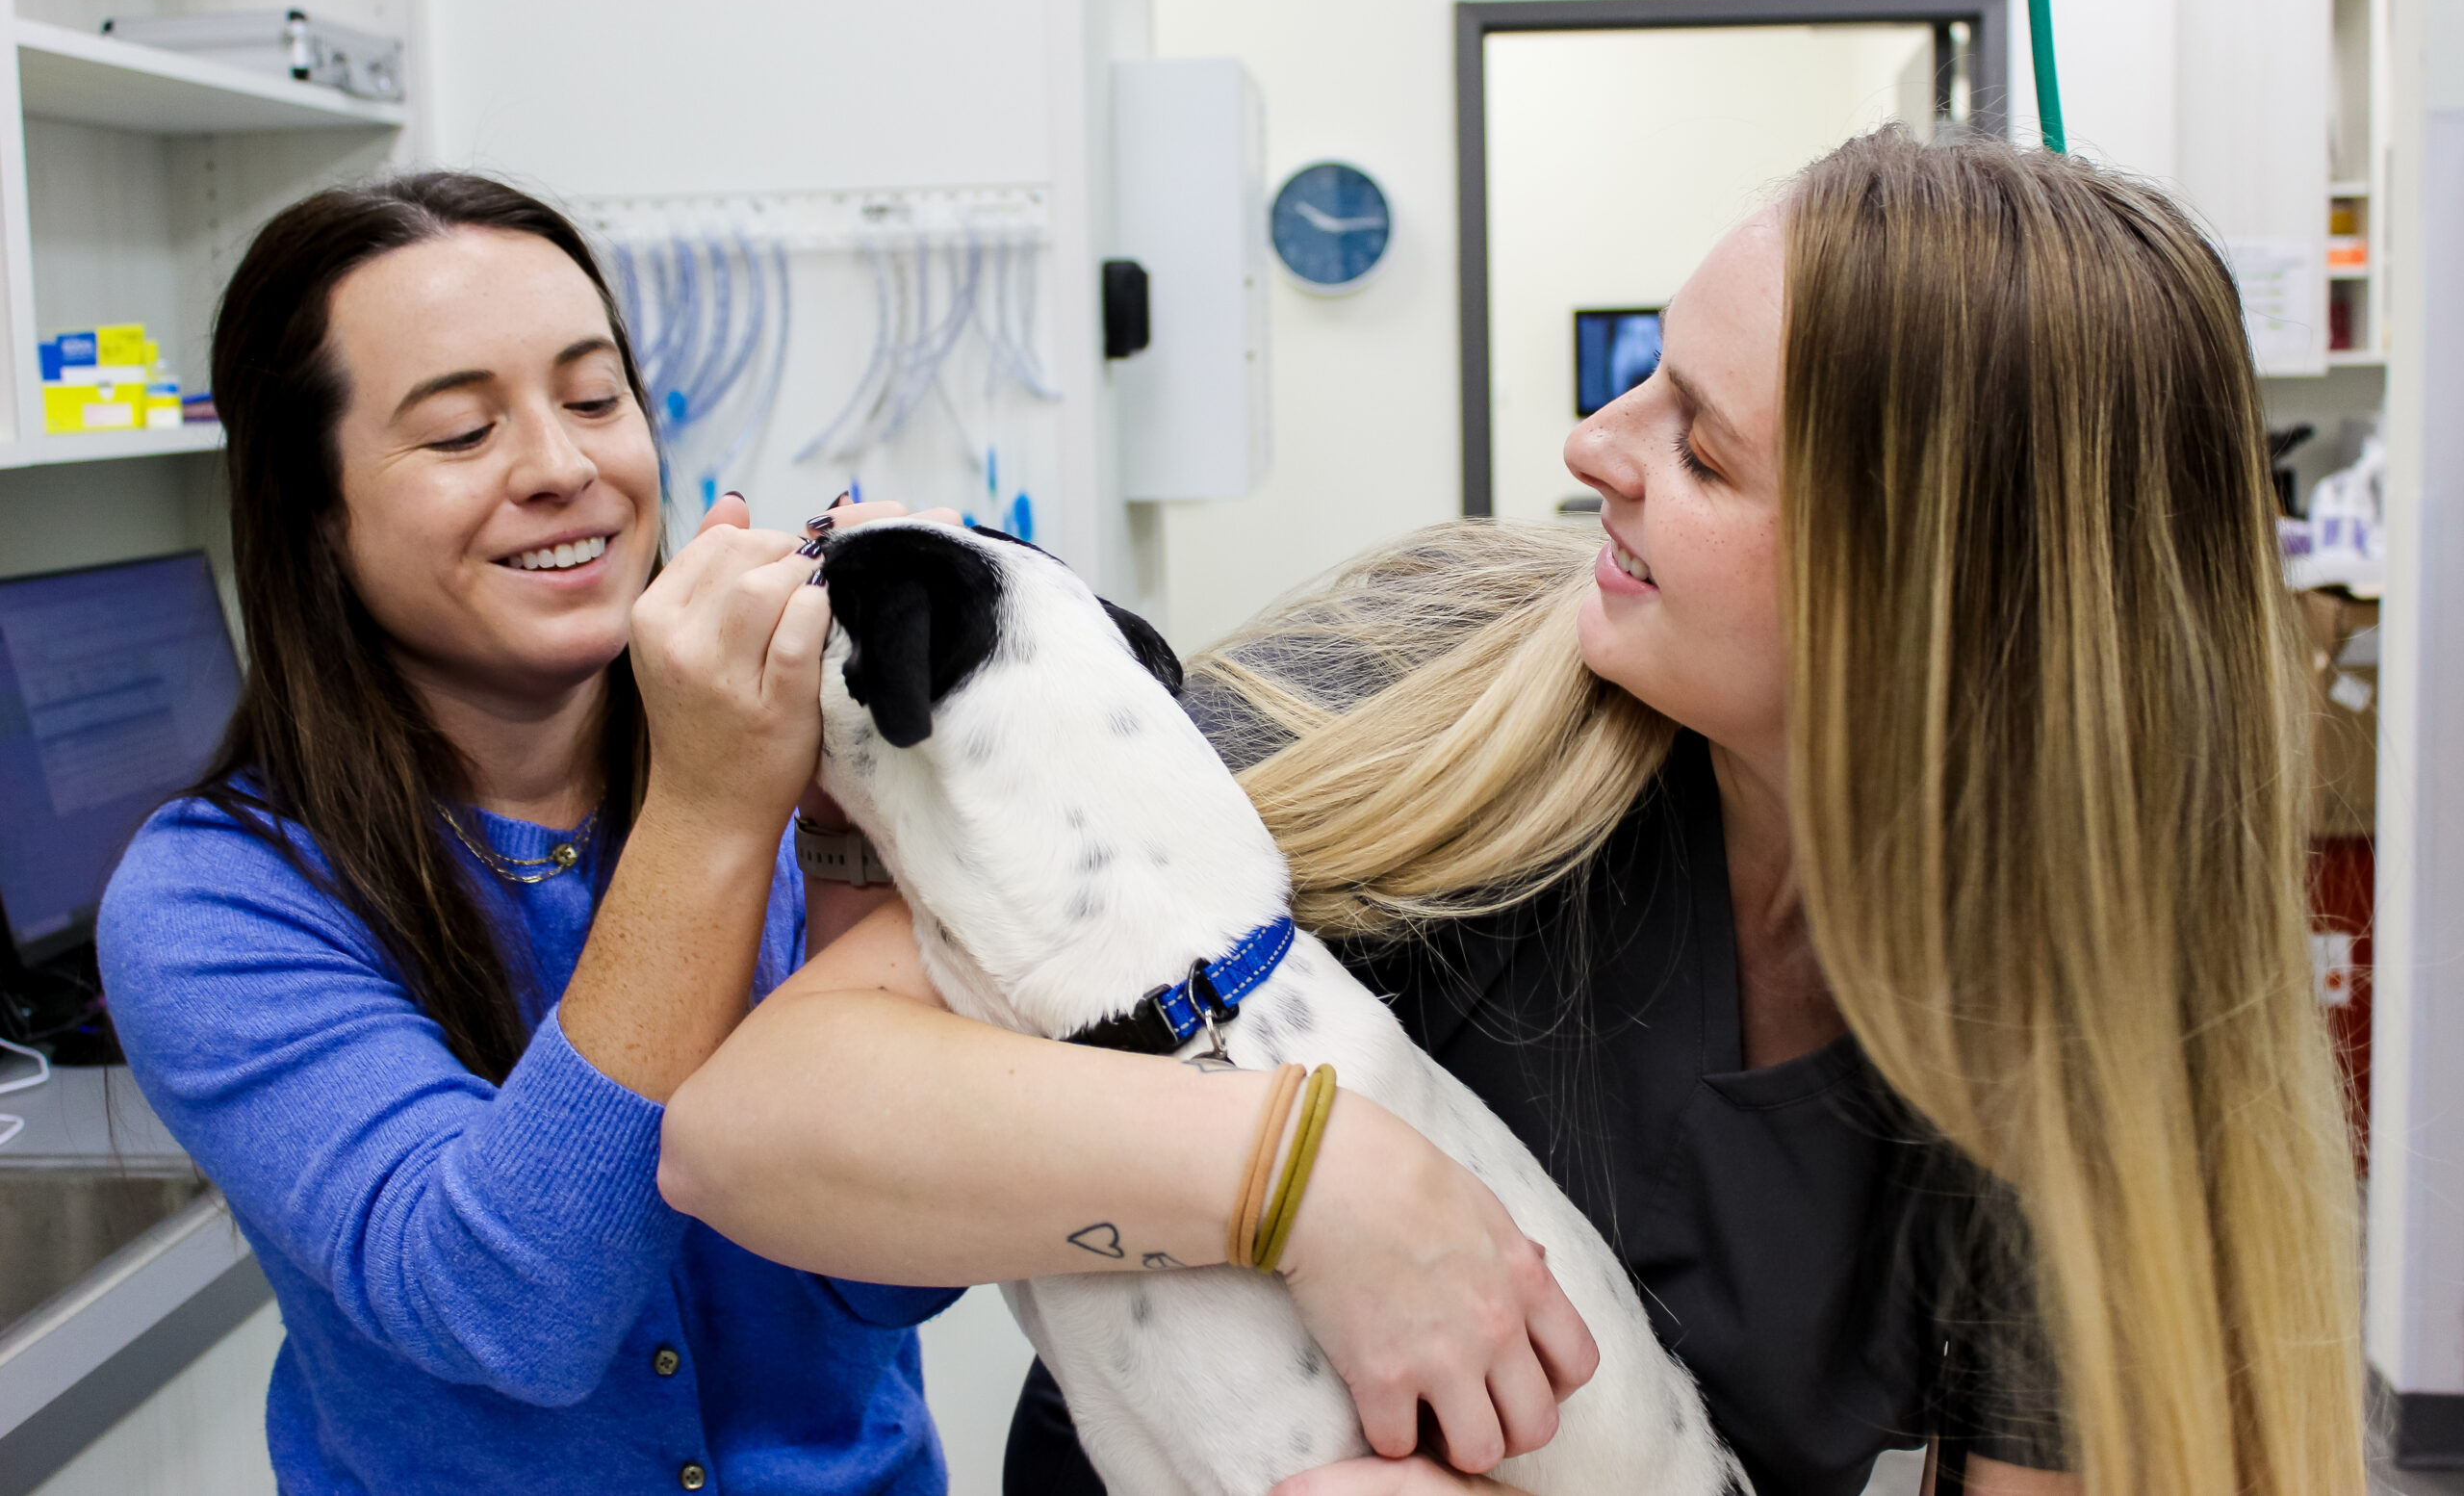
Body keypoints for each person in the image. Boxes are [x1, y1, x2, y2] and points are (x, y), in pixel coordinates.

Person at [657, 130, 2366, 1496]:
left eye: (1704, 452)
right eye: (1649, 381)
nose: (1592, 444)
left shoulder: (2068, 1083)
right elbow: (749, 1135)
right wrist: (1319, 1182)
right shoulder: (1408, 689)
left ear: (1923, 607)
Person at [96, 171, 967, 1493]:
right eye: (460, 432)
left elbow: (897, 1276)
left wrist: (848, 853)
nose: (564, 469)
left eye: (595, 398)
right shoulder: (214, 899)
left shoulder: (795, 768)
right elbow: (512, 1312)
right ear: (315, 511)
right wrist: (713, 810)